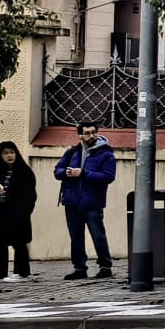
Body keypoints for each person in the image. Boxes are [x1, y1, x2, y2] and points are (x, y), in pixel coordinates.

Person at [52, 120, 116, 281]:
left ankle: (105, 266)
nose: (91, 135)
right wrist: (65, 172)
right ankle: (79, 267)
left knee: (98, 235)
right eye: (87, 133)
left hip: (93, 201)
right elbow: (57, 170)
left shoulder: (105, 153)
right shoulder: (72, 152)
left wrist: (84, 173)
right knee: (76, 237)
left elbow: (108, 176)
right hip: (72, 201)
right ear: (80, 135)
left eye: (94, 132)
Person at [0, 140, 36, 282]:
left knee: (19, 242)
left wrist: (24, 212)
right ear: (0, 155)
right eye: (6, 153)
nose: (10, 155)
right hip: (0, 212)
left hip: (18, 213)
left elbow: (30, 195)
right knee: (0, 242)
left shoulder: (24, 172)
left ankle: (22, 273)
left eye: (12, 152)